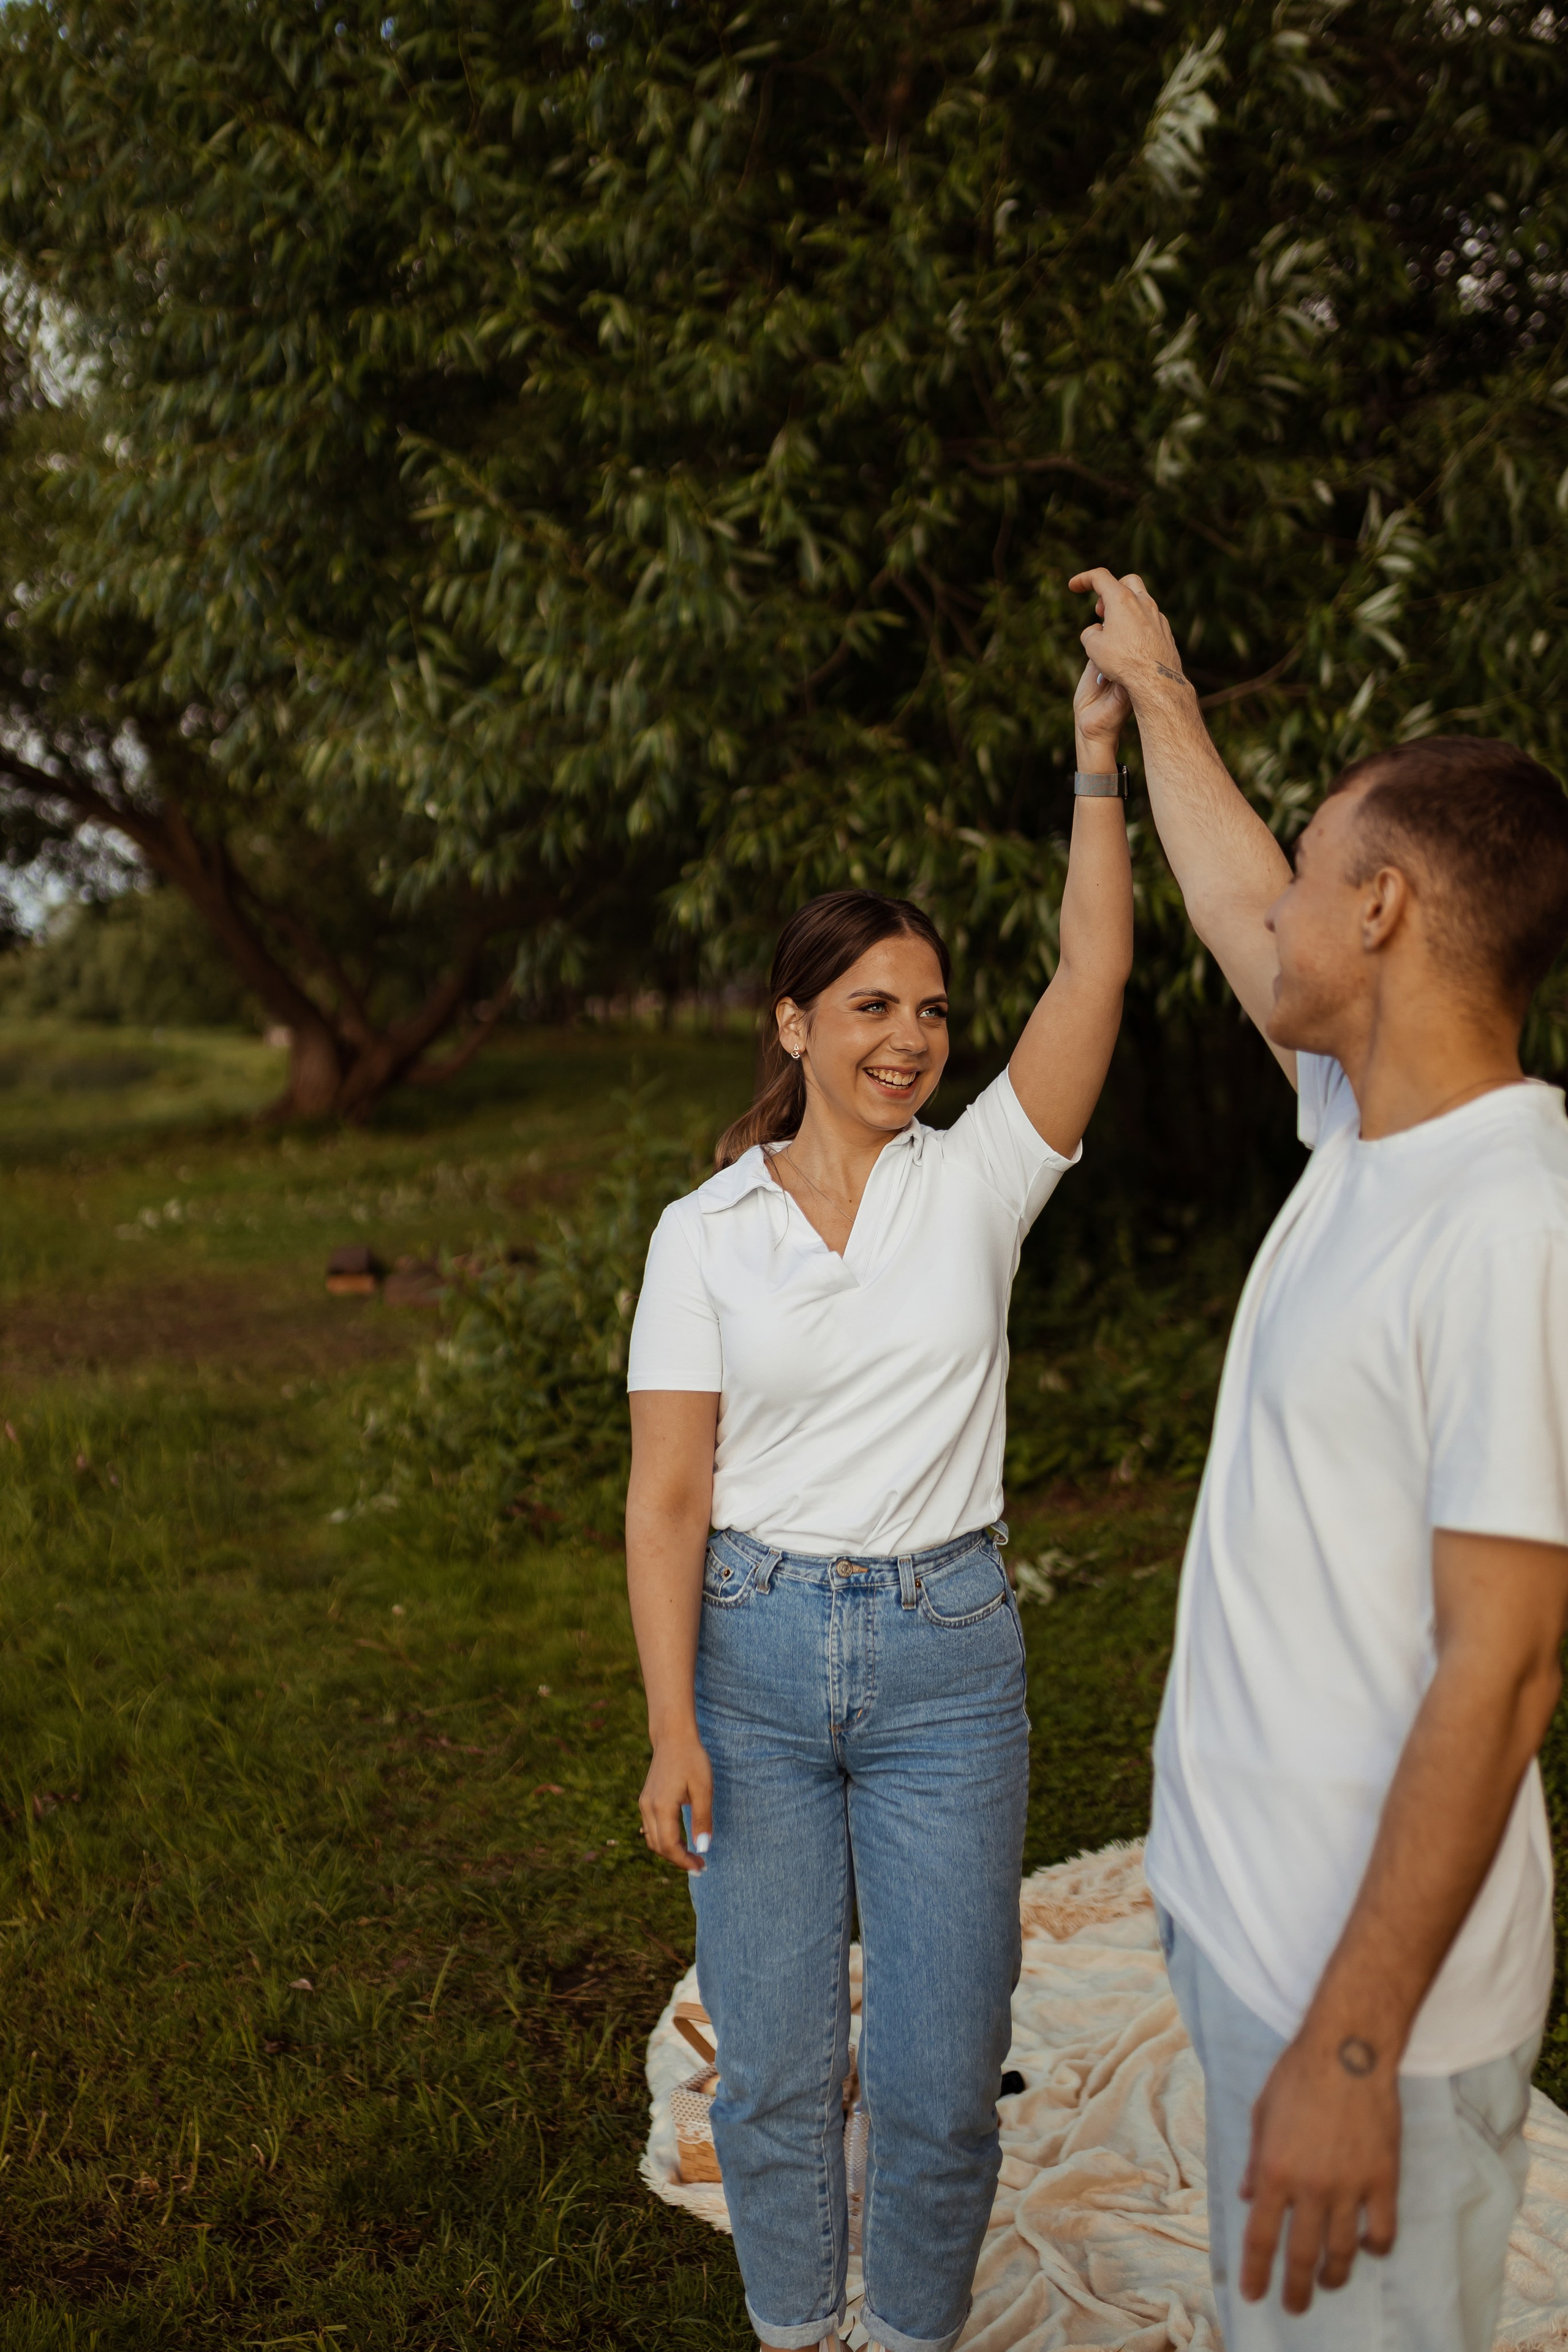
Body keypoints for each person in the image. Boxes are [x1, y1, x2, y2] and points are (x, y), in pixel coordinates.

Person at [1074, 565, 1568, 2352]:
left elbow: (1505, 1670)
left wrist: (1351, 2050)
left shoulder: (1513, 1223)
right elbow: (1225, 898)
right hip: (1247, 1935)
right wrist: (1162, 692)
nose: (1267, 909)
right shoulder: (1372, 1127)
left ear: (1378, 908)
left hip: (1369, 2024)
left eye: (1308, 879)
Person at [622, 661, 1135, 2352]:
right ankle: (795, 2332)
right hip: (753, 1665)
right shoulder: (707, 1233)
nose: (912, 1037)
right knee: (772, 2066)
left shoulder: (979, 1180)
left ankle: (909, 2335)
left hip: (947, 1664)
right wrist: (670, 1726)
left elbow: (1096, 968)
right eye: (871, 1008)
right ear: (795, 1025)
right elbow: (670, 1490)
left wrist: (1095, 757)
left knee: (938, 2076)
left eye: (928, 1010)